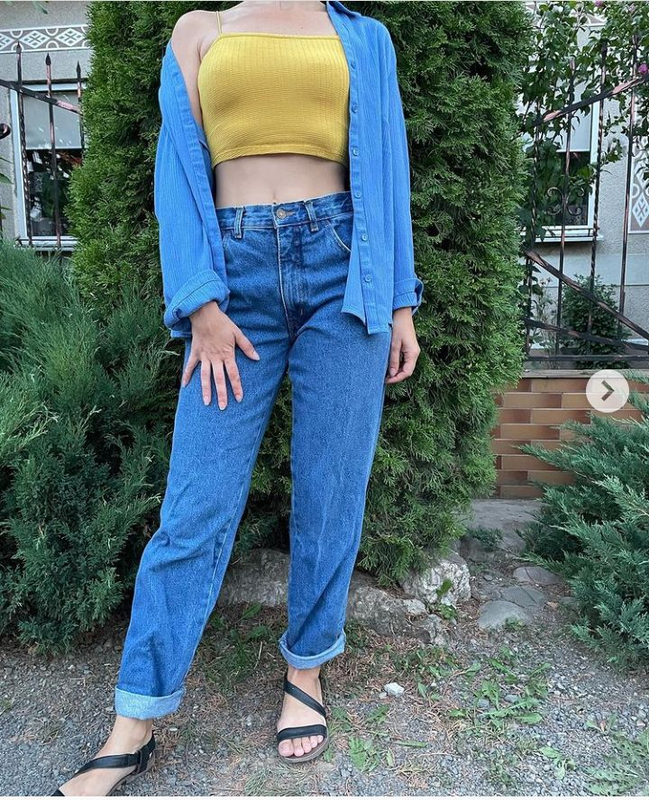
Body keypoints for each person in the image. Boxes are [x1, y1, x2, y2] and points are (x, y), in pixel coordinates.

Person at [53, 0, 423, 794]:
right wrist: (200, 302)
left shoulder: (364, 37)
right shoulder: (200, 31)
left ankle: (306, 670)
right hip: (232, 278)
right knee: (195, 504)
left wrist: (400, 304)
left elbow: (389, 170)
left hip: (343, 270)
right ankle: (135, 719)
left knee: (331, 491)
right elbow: (176, 174)